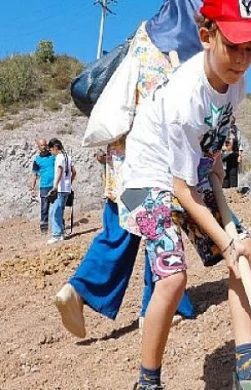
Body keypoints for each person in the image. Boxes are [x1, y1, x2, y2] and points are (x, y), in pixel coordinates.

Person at [117, 0, 251, 387]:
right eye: (233, 46)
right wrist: (223, 240)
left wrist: (214, 160)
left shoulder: (237, 83)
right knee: (172, 276)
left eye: (250, 49)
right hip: (146, 180)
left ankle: (246, 362)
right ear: (206, 36)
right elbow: (180, 190)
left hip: (187, 175)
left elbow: (214, 130)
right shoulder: (186, 95)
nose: (241, 60)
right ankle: (147, 380)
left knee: (246, 251)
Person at [54, 0, 201, 341]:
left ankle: (78, 289)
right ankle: (161, 305)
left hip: (122, 158)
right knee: (158, 227)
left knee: (119, 227)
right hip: (150, 164)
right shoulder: (181, 56)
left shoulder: (145, 36)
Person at [47, 138, 75, 244]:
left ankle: (56, 235)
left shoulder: (59, 157)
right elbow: (74, 172)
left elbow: (60, 171)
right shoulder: (68, 157)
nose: (51, 153)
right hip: (66, 189)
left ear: (55, 148)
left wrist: (55, 186)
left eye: (51, 150)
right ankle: (62, 234)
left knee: (54, 212)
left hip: (60, 189)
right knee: (60, 212)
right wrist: (69, 182)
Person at [30, 138, 55, 235]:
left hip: (54, 186)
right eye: (42, 145)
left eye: (45, 145)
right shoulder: (37, 160)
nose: (44, 147)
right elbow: (34, 175)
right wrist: (32, 188)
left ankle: (59, 226)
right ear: (38, 147)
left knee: (57, 207)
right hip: (44, 186)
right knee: (44, 208)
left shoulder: (53, 156)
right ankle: (44, 229)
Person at [222, 124, 243, 189]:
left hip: (234, 154)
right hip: (223, 155)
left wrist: (240, 155)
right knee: (224, 173)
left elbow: (240, 144)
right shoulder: (222, 128)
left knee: (233, 173)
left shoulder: (237, 130)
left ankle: (233, 190)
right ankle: (225, 189)